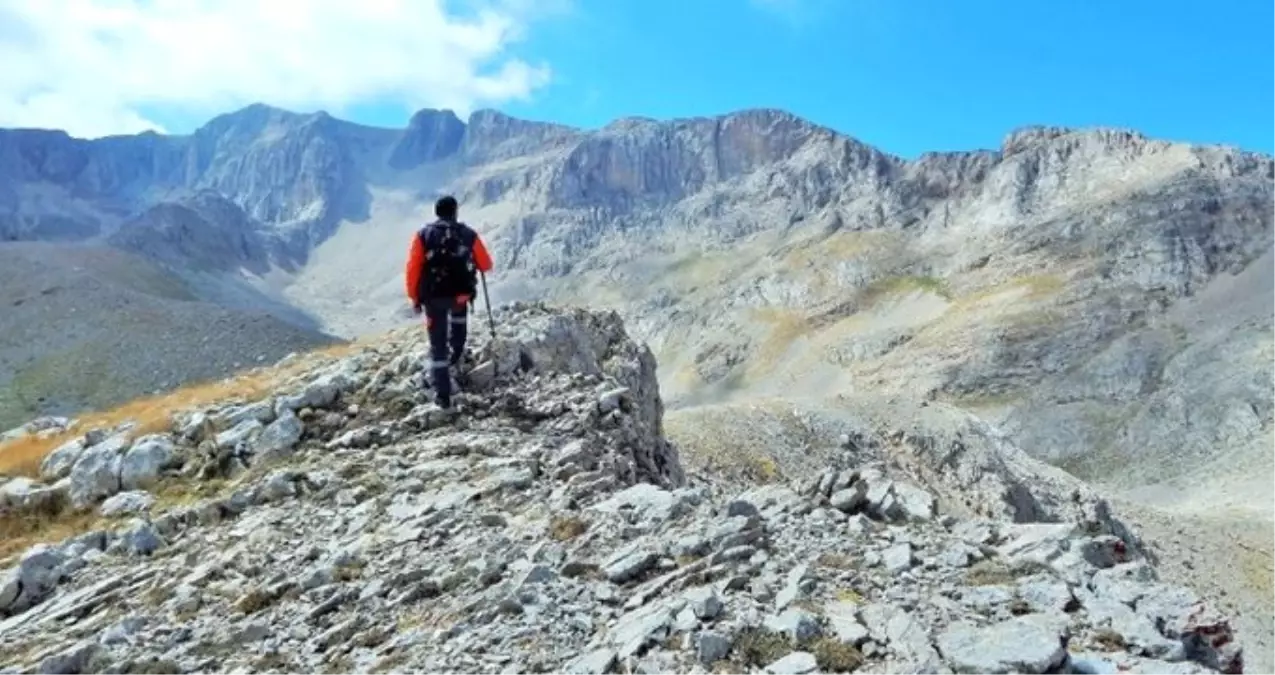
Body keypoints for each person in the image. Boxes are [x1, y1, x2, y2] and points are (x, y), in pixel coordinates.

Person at [404, 195, 494, 409]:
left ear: (436, 212)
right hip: (460, 296)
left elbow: (413, 269)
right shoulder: (468, 234)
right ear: (455, 211)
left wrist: (415, 297)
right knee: (459, 319)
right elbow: (486, 264)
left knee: (437, 346)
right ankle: (457, 352)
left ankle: (443, 395)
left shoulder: (423, 235)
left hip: (433, 298)